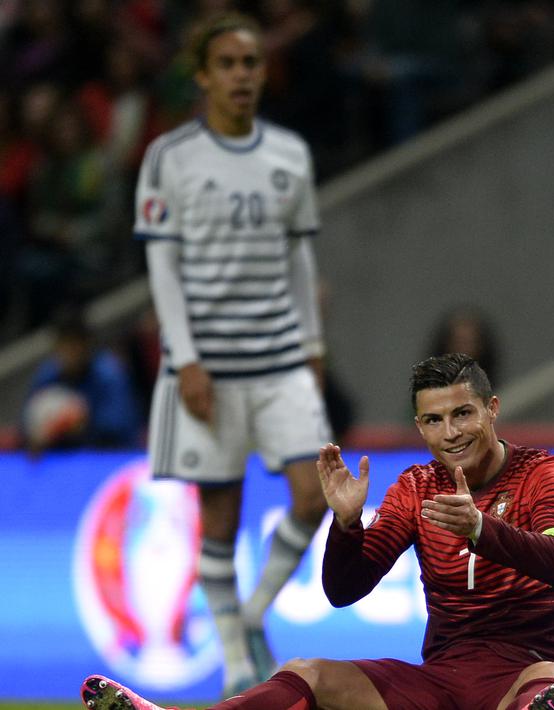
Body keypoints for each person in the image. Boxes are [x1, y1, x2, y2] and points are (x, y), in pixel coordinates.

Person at [81, 353, 554, 710]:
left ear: (491, 409)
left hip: (524, 673)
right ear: (419, 426)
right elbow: (344, 591)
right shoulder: (415, 487)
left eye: (463, 414)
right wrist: (346, 526)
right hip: (439, 684)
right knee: (308, 673)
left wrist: (483, 530)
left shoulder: (545, 474)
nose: (450, 433)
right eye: (434, 420)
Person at [122, 12, 333, 697]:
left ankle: (249, 615)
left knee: (314, 497)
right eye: (229, 64)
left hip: (278, 359)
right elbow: (162, 266)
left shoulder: (288, 156)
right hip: (208, 364)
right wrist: (183, 357)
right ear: (204, 76)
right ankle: (239, 661)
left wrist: (312, 343)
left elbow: (300, 254)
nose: (243, 75)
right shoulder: (170, 157)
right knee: (220, 516)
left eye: (252, 63)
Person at [22, 307, 140, 451]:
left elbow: (119, 426)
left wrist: (80, 422)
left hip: (108, 458)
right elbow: (25, 426)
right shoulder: (47, 376)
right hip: (59, 461)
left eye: (75, 344)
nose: (70, 352)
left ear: (87, 343)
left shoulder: (109, 374)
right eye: (64, 344)